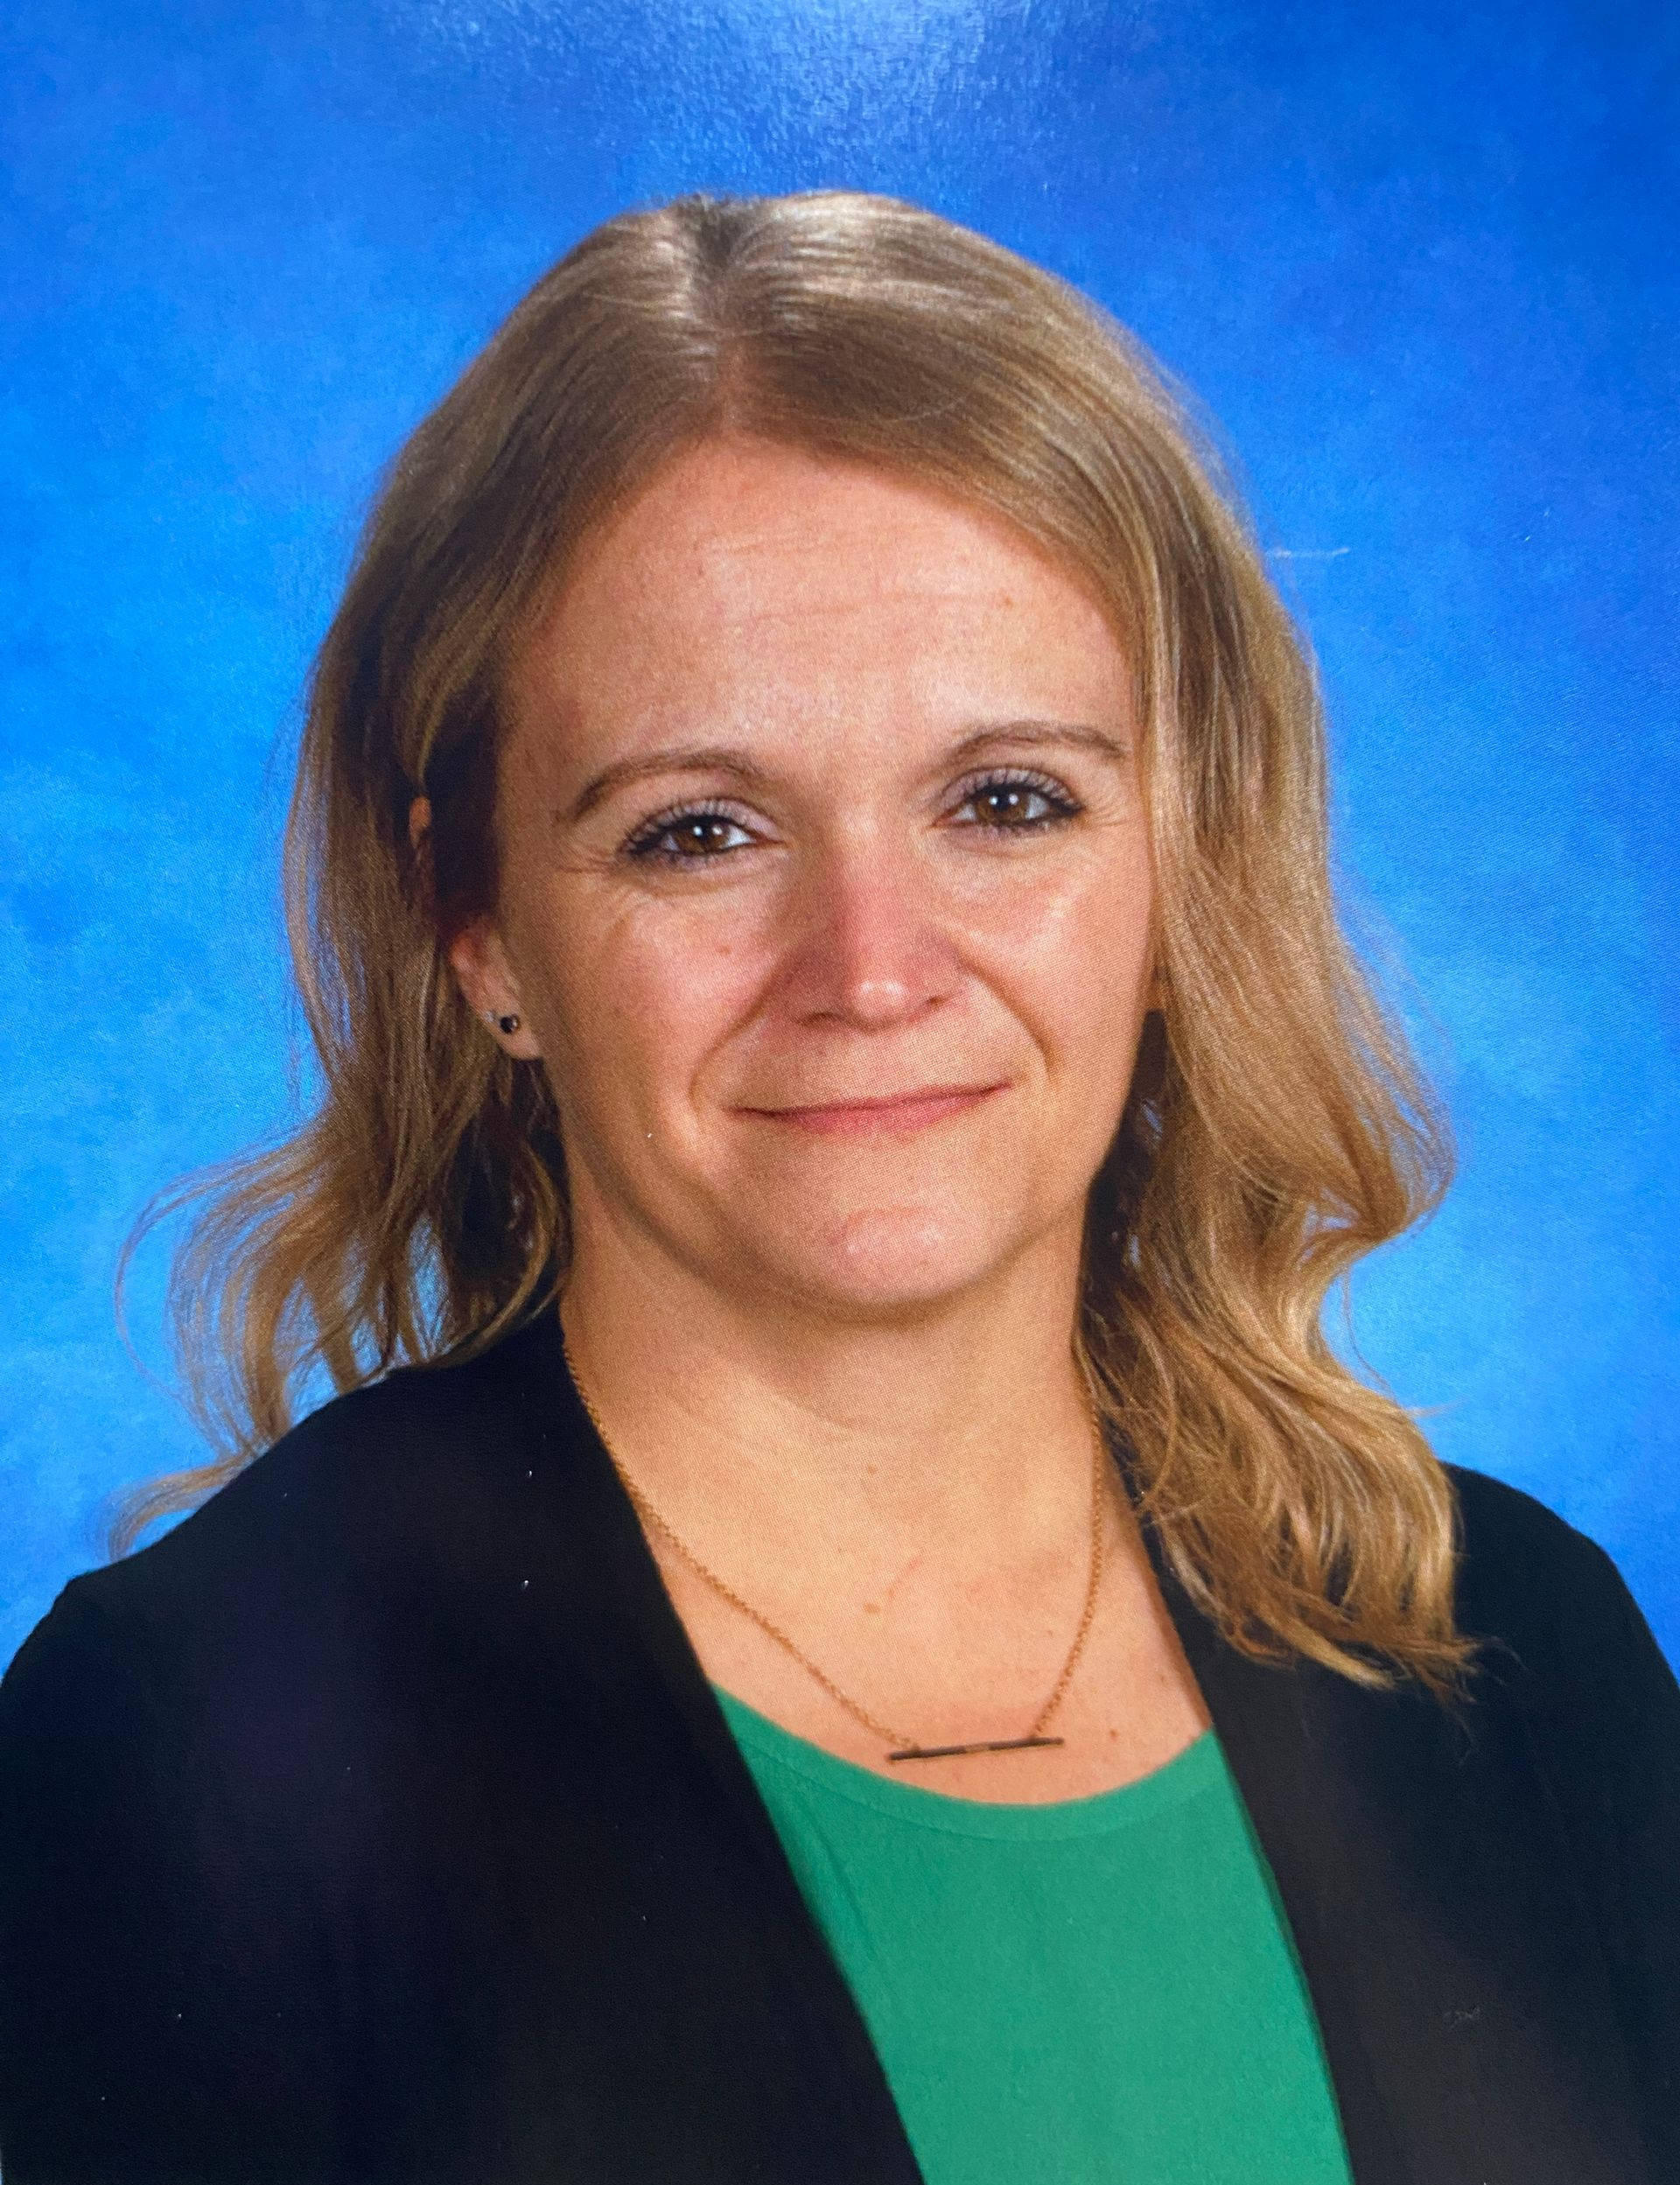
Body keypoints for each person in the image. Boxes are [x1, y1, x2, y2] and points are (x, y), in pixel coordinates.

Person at [0, 188, 1675, 2185]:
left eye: (1006, 802)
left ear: (1181, 860)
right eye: (699, 832)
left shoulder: (1522, 1655)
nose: (873, 969)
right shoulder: (186, 1748)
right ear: (480, 926)